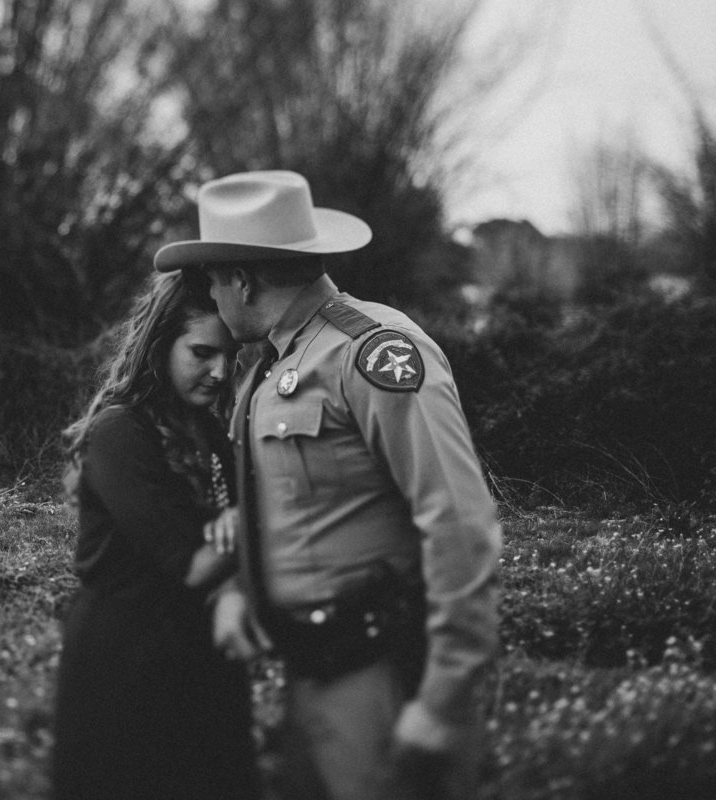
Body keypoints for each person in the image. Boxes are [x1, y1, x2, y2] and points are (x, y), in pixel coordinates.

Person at [154, 170, 502, 800]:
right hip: (309, 674)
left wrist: (444, 699)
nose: (211, 292)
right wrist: (237, 586)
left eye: (213, 278)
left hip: (385, 679)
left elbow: (459, 522)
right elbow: (273, 507)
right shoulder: (269, 364)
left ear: (243, 279)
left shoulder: (370, 354)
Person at [51, 269, 260, 800]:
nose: (219, 371)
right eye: (202, 352)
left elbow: (226, 553)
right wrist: (262, 519)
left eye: (230, 356)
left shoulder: (211, 431)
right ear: (159, 345)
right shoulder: (121, 432)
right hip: (127, 660)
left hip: (201, 653)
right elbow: (191, 564)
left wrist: (236, 570)